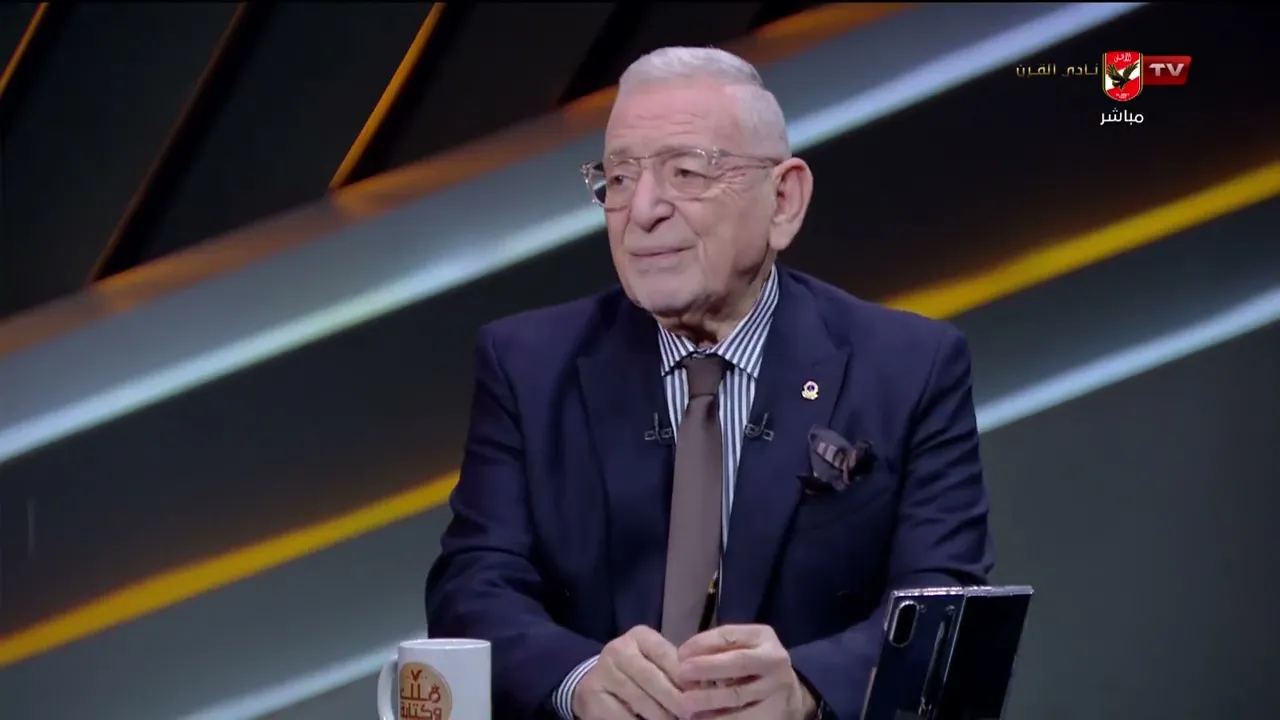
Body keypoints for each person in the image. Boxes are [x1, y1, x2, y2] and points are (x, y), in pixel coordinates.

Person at [425, 45, 993, 720]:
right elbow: (473, 587)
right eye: (619, 178)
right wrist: (579, 680)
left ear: (783, 201)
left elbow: (946, 602)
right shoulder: (526, 364)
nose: (642, 209)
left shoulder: (910, 365)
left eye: (686, 172)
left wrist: (807, 688)